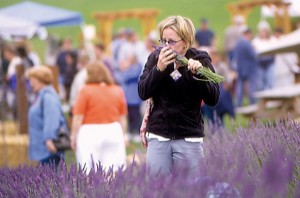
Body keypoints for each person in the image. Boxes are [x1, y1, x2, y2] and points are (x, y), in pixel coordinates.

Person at [138, 15, 220, 176]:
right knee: (158, 189)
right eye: (163, 41)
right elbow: (143, 92)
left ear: (186, 41)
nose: (166, 46)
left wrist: (199, 76)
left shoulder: (200, 59)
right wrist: (159, 69)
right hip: (159, 136)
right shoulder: (156, 58)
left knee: (192, 190)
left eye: (171, 41)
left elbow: (213, 98)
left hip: (188, 137)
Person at [70, 62, 128, 173]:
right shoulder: (117, 90)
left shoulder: (85, 90)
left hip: (90, 132)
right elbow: (123, 117)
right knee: (112, 169)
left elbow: (78, 117)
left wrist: (73, 136)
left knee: (89, 169)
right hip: (114, 131)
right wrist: (124, 135)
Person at [27, 66, 66, 167]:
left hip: (48, 149)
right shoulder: (40, 96)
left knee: (49, 180)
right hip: (42, 149)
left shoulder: (48, 97)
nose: (30, 84)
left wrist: (49, 139)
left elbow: (52, 119)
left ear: (40, 80)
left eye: (32, 80)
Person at [234, 27, 258, 107]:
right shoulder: (248, 44)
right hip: (250, 68)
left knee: (240, 87)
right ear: (248, 34)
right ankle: (252, 103)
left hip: (240, 68)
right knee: (251, 86)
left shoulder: (238, 44)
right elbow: (253, 55)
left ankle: (239, 103)